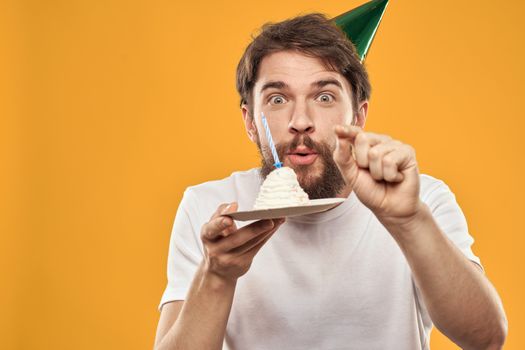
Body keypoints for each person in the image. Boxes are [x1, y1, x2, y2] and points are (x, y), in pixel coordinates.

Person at [154, 13, 507, 350]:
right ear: (250, 121)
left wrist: (410, 221)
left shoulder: (420, 198)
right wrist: (217, 276)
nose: (301, 121)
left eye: (324, 97)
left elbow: (486, 339)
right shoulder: (211, 209)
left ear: (358, 115)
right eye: (277, 99)